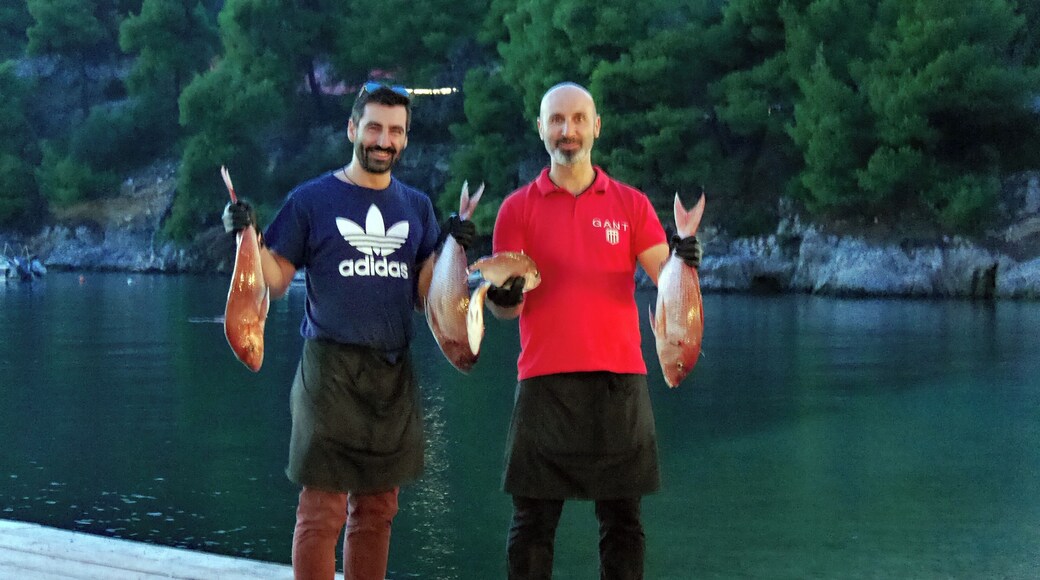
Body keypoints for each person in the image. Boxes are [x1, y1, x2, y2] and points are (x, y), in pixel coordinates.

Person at [221, 81, 475, 580]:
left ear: (405, 139)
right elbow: (273, 280)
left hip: (391, 370)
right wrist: (245, 234)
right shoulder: (310, 199)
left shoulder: (416, 206)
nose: (384, 140)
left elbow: (427, 298)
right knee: (321, 512)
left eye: (395, 131)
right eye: (375, 127)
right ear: (353, 128)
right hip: (330, 369)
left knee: (377, 511)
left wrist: (451, 247)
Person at [485, 82, 702, 579]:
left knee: (623, 521)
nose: (569, 130)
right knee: (532, 523)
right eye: (557, 119)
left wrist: (685, 258)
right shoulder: (516, 209)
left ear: (597, 127)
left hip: (619, 381)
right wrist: (504, 297)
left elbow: (666, 282)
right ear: (540, 128)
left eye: (579, 119)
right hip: (543, 382)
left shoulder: (630, 204)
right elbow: (507, 312)